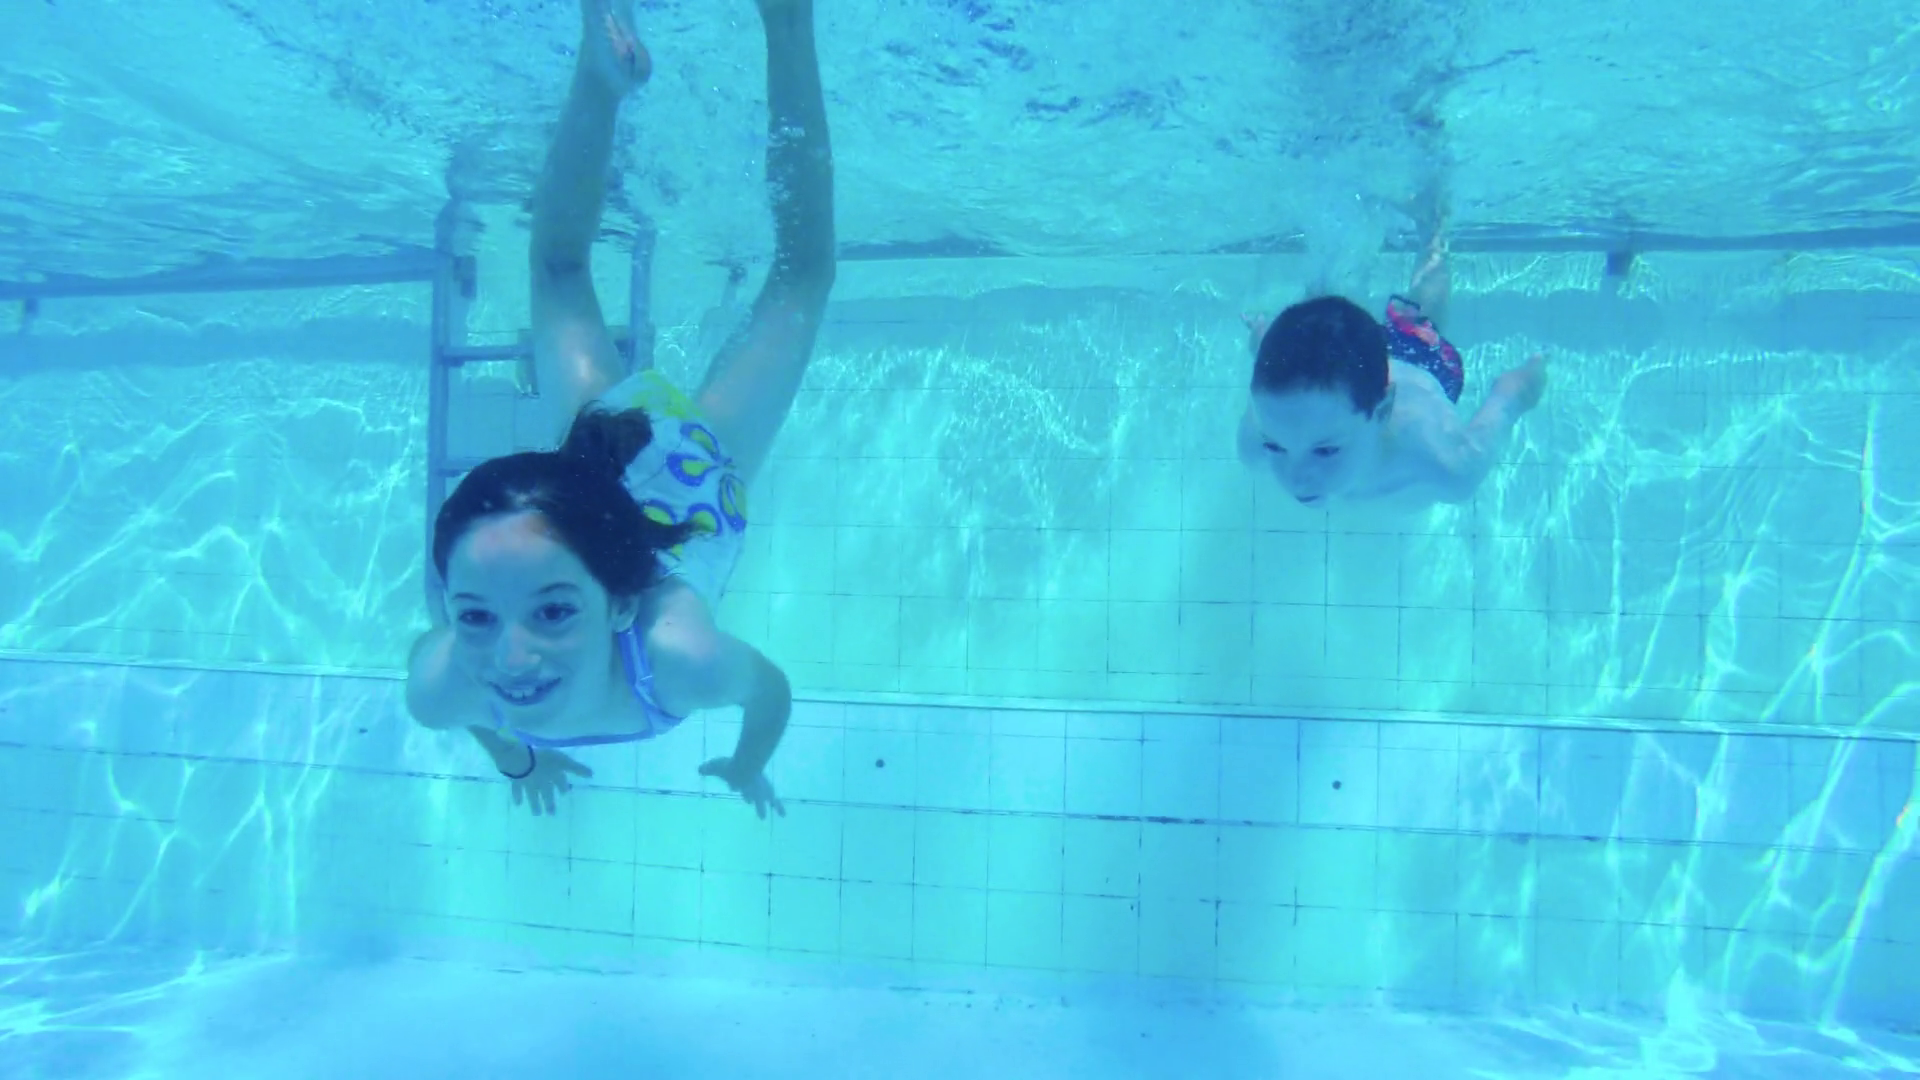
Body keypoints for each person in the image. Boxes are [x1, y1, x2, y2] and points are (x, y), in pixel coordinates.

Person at [404, 0, 835, 819]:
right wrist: (516, 760)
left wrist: (748, 763)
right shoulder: (452, 680)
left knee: (780, 275)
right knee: (796, 273)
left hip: (609, 449)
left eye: (552, 610)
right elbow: (768, 692)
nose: (510, 659)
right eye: (474, 616)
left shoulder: (678, 657)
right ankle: (787, 21)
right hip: (693, 484)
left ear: (624, 606)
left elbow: (768, 694)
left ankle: (601, 78)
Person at [1236, 222, 1546, 509]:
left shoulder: (1448, 465)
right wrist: (1266, 351)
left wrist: (1524, 383)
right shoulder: (1255, 443)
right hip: (1346, 374)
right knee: (1318, 320)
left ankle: (1433, 227)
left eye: (1325, 451)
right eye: (1274, 446)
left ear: (1383, 411)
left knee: (1426, 311)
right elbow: (1272, 401)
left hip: (1418, 362)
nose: (1296, 479)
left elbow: (1512, 392)